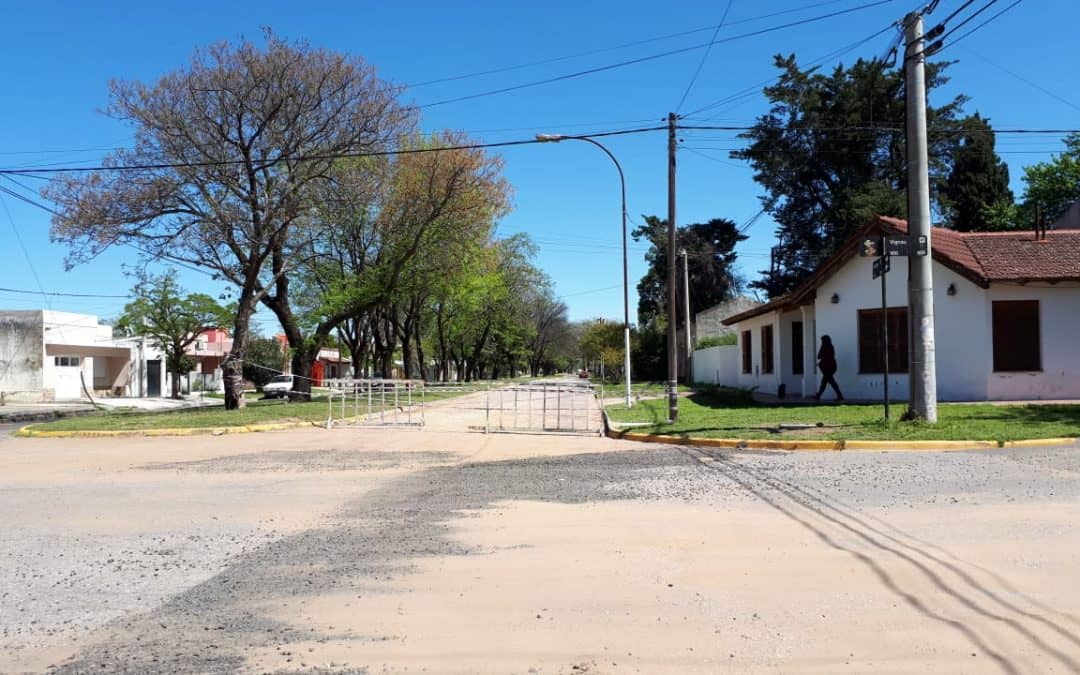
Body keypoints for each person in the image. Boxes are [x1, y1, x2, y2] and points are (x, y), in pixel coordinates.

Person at [814, 335, 844, 401]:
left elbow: (819, 356)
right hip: (831, 367)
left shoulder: (826, 347)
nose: (821, 342)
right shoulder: (831, 347)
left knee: (828, 382)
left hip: (828, 368)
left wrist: (821, 347)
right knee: (827, 382)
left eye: (822, 341)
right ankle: (818, 395)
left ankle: (819, 395)